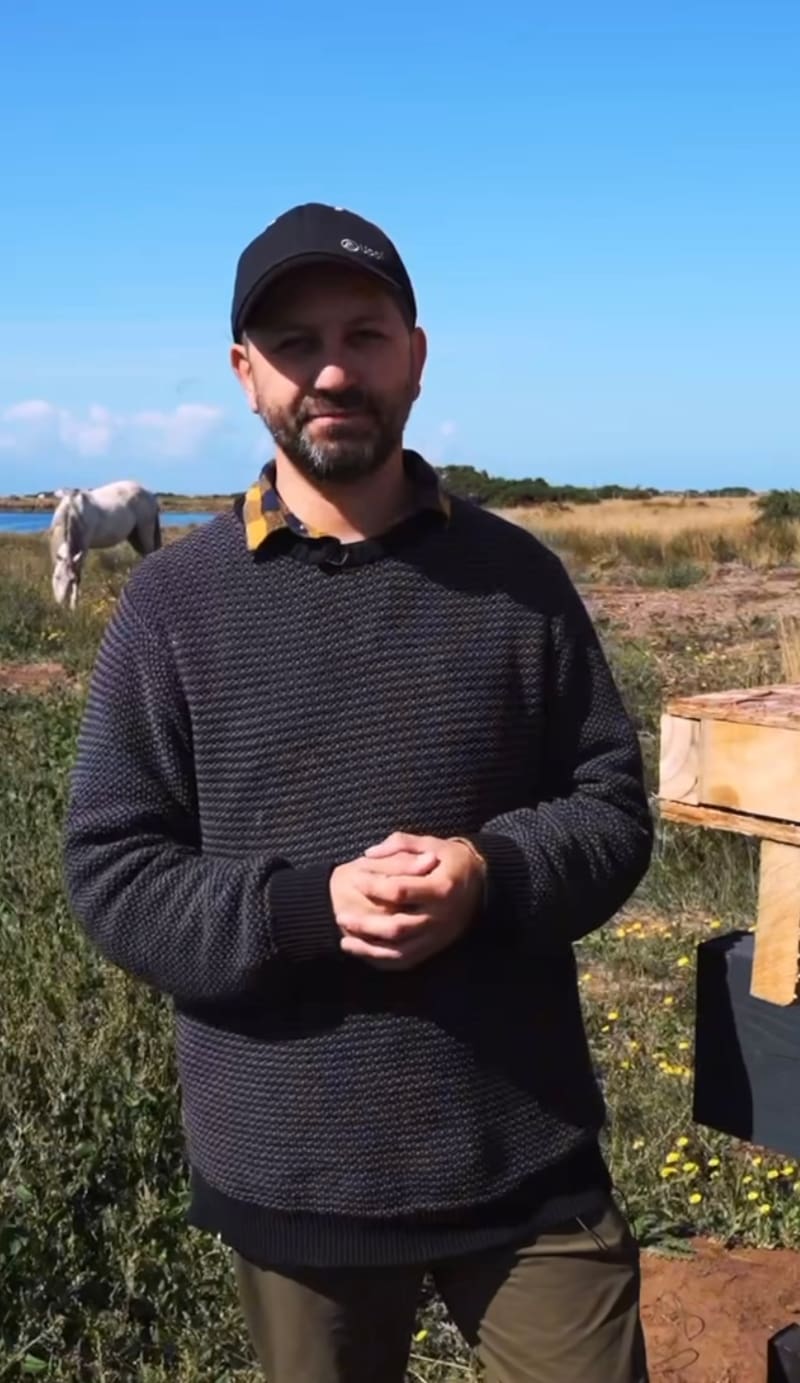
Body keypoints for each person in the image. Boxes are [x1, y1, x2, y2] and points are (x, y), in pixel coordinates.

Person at [63, 202, 654, 1383]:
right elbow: (111, 870)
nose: (331, 371)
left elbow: (609, 806)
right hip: (292, 1167)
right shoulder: (172, 606)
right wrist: (305, 910)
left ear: (415, 357)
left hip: (521, 1140)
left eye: (364, 335)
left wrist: (489, 877)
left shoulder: (518, 578)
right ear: (245, 374)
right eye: (294, 344)